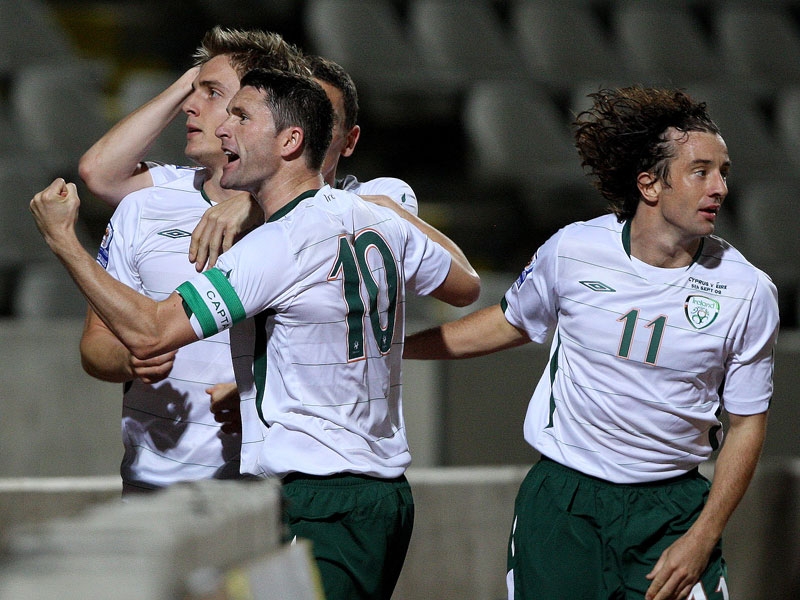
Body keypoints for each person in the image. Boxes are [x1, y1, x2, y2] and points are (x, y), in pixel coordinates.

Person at [31, 69, 481, 599]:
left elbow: (152, 333)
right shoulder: (373, 216)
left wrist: (65, 241)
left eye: (242, 117)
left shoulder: (279, 243)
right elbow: (464, 286)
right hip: (375, 495)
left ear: (290, 141)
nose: (225, 130)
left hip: (323, 499)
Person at [403, 86, 779, 600]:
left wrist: (703, 535)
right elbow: (508, 323)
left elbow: (747, 425)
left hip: (672, 509)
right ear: (650, 184)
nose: (720, 188)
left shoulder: (749, 291)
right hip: (564, 502)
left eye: (725, 172)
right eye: (701, 172)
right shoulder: (573, 250)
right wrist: (398, 347)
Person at [78, 27, 309, 495]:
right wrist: (129, 358)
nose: (190, 105)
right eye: (193, 91)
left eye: (212, 93)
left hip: (275, 484)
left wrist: (254, 205)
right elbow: (94, 347)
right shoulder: (147, 204)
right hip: (158, 479)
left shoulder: (311, 215)